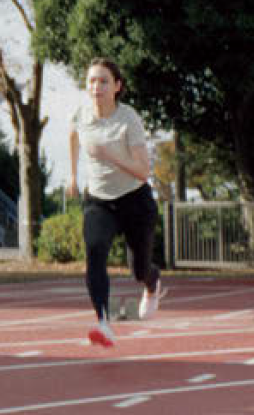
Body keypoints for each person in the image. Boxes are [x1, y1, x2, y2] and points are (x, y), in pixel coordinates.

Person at [67, 58, 166, 348]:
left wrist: (110, 154)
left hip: (134, 200)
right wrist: (72, 176)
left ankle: (152, 282)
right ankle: (103, 323)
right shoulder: (81, 114)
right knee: (95, 251)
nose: (96, 87)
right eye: (91, 81)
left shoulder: (128, 118)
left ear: (117, 86)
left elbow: (143, 170)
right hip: (99, 201)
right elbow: (73, 135)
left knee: (139, 270)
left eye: (103, 81)